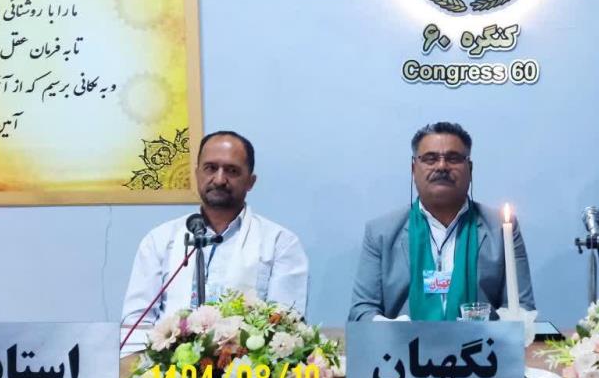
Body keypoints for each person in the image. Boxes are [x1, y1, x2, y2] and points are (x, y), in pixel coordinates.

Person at [121, 131, 309, 333]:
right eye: (210, 168)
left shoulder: (280, 243)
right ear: (197, 174)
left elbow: (286, 328)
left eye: (232, 171)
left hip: (247, 354)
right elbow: (135, 323)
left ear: (250, 182)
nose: (219, 179)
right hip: (164, 352)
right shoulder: (159, 240)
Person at [349, 122, 535, 321]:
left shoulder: (501, 229)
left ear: (470, 169)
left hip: (481, 340)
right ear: (413, 169)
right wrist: (394, 329)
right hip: (404, 341)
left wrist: (486, 327)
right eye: (430, 159)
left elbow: (521, 307)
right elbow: (361, 312)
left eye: (453, 158)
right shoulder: (381, 232)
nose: (442, 166)